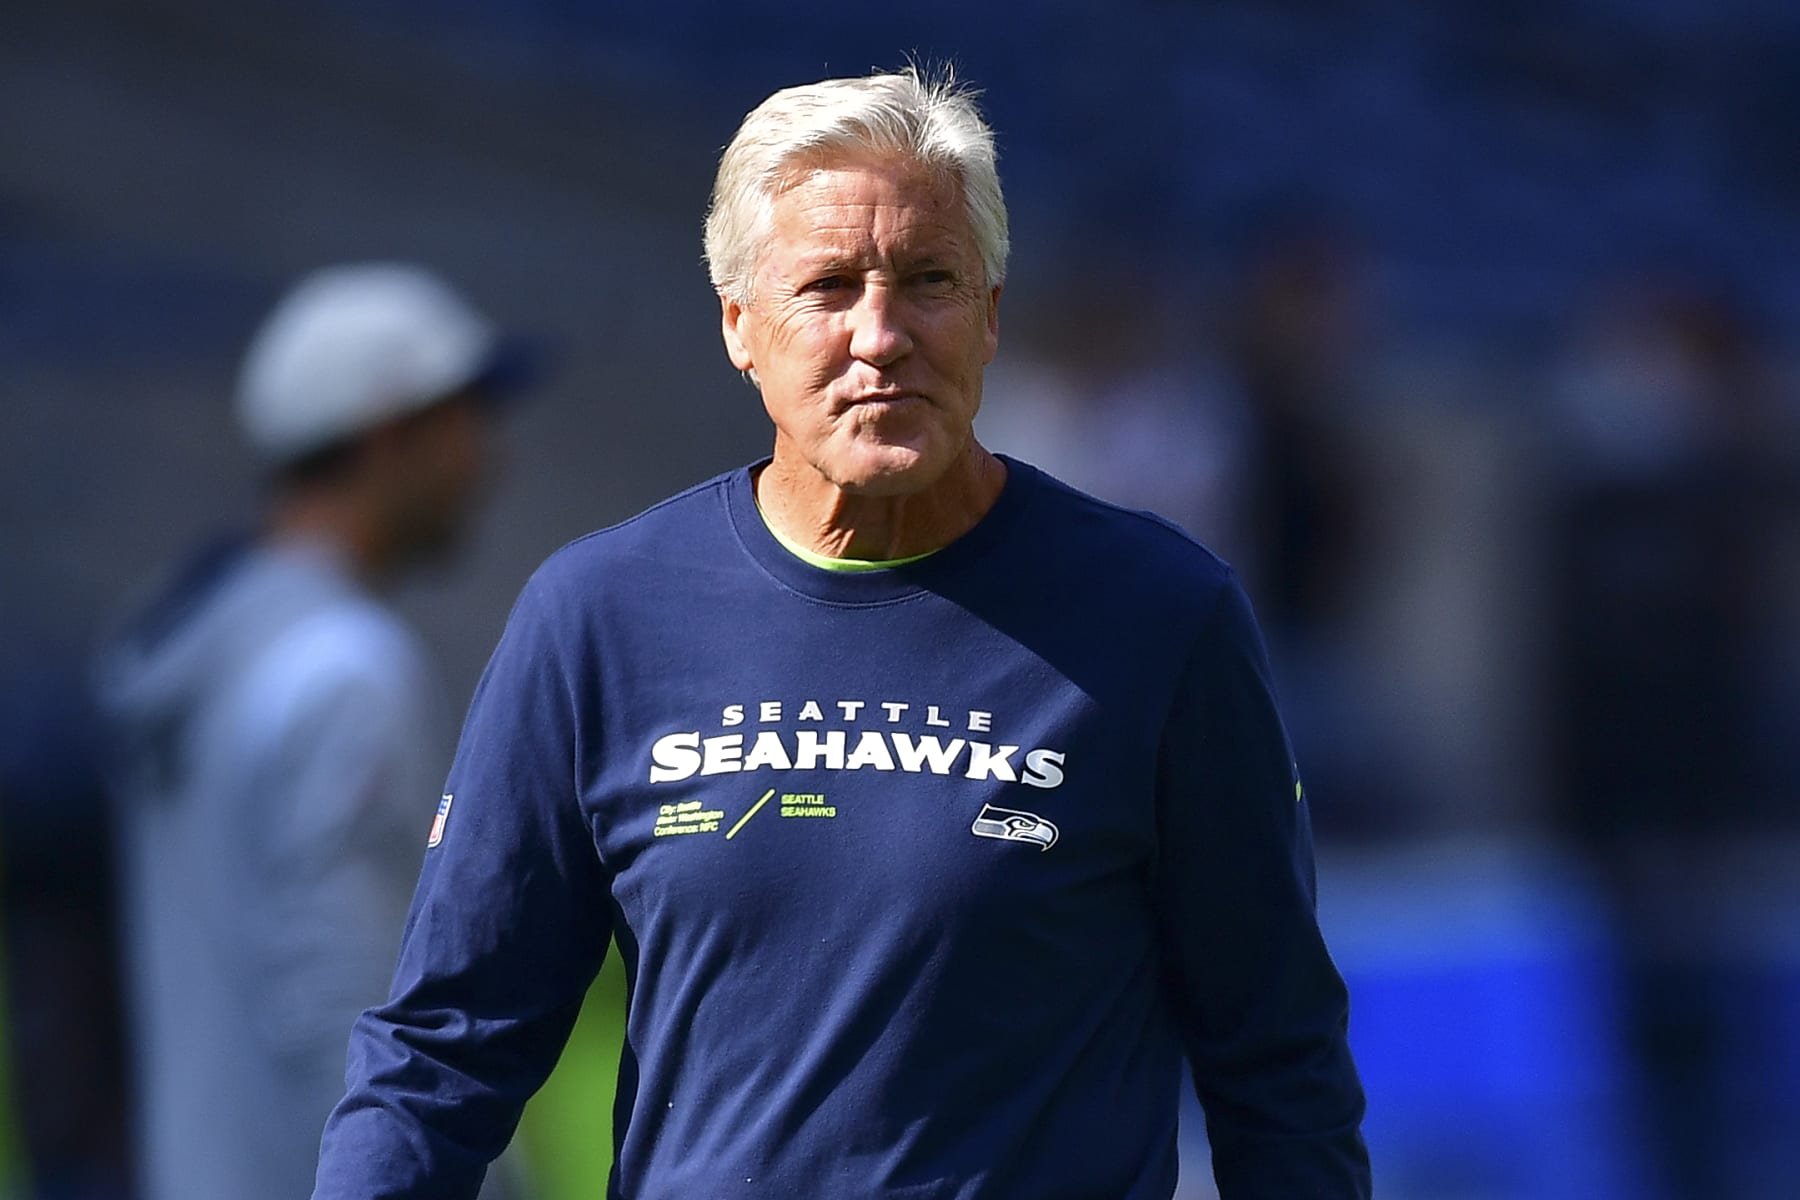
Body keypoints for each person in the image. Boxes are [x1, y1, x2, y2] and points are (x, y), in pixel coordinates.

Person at [313, 67, 1370, 1199]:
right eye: (827, 287)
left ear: (991, 315)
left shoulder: (1162, 617)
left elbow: (1279, 1067)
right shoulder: (598, 618)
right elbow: (444, 1051)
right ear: (740, 326)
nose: (882, 335)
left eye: (929, 281)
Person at [96, 263, 534, 1200]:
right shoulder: (345, 671)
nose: (488, 454)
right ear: (389, 433)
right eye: (468, 415)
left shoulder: (205, 643)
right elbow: (350, 1003)